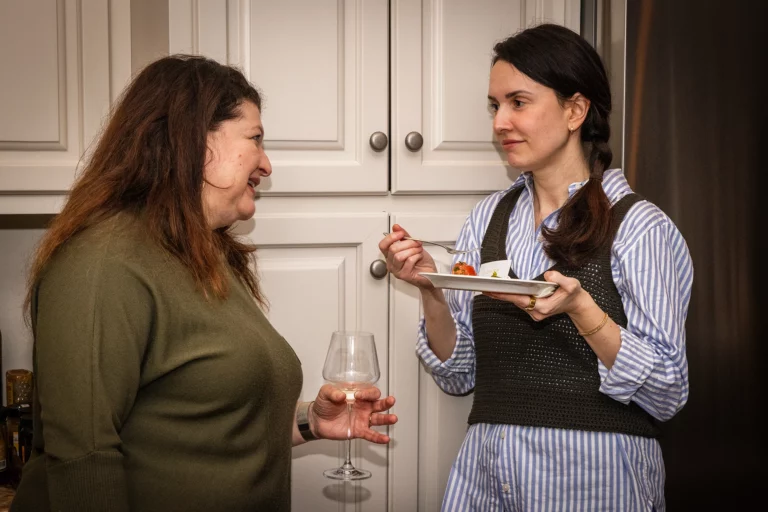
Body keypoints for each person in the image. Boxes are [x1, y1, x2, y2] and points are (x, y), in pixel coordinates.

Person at [11, 55, 397, 512]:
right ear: (194, 140)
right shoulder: (102, 261)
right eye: (255, 139)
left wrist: (310, 421)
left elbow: (201, 425)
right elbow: (82, 457)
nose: (267, 164)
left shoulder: (204, 253)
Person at [380, 23, 692, 511]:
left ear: (575, 109)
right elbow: (459, 373)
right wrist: (429, 290)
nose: (500, 122)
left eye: (518, 103)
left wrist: (583, 310)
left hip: (596, 481)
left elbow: (667, 392)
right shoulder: (488, 218)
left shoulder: (638, 227)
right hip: (487, 478)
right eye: (494, 105)